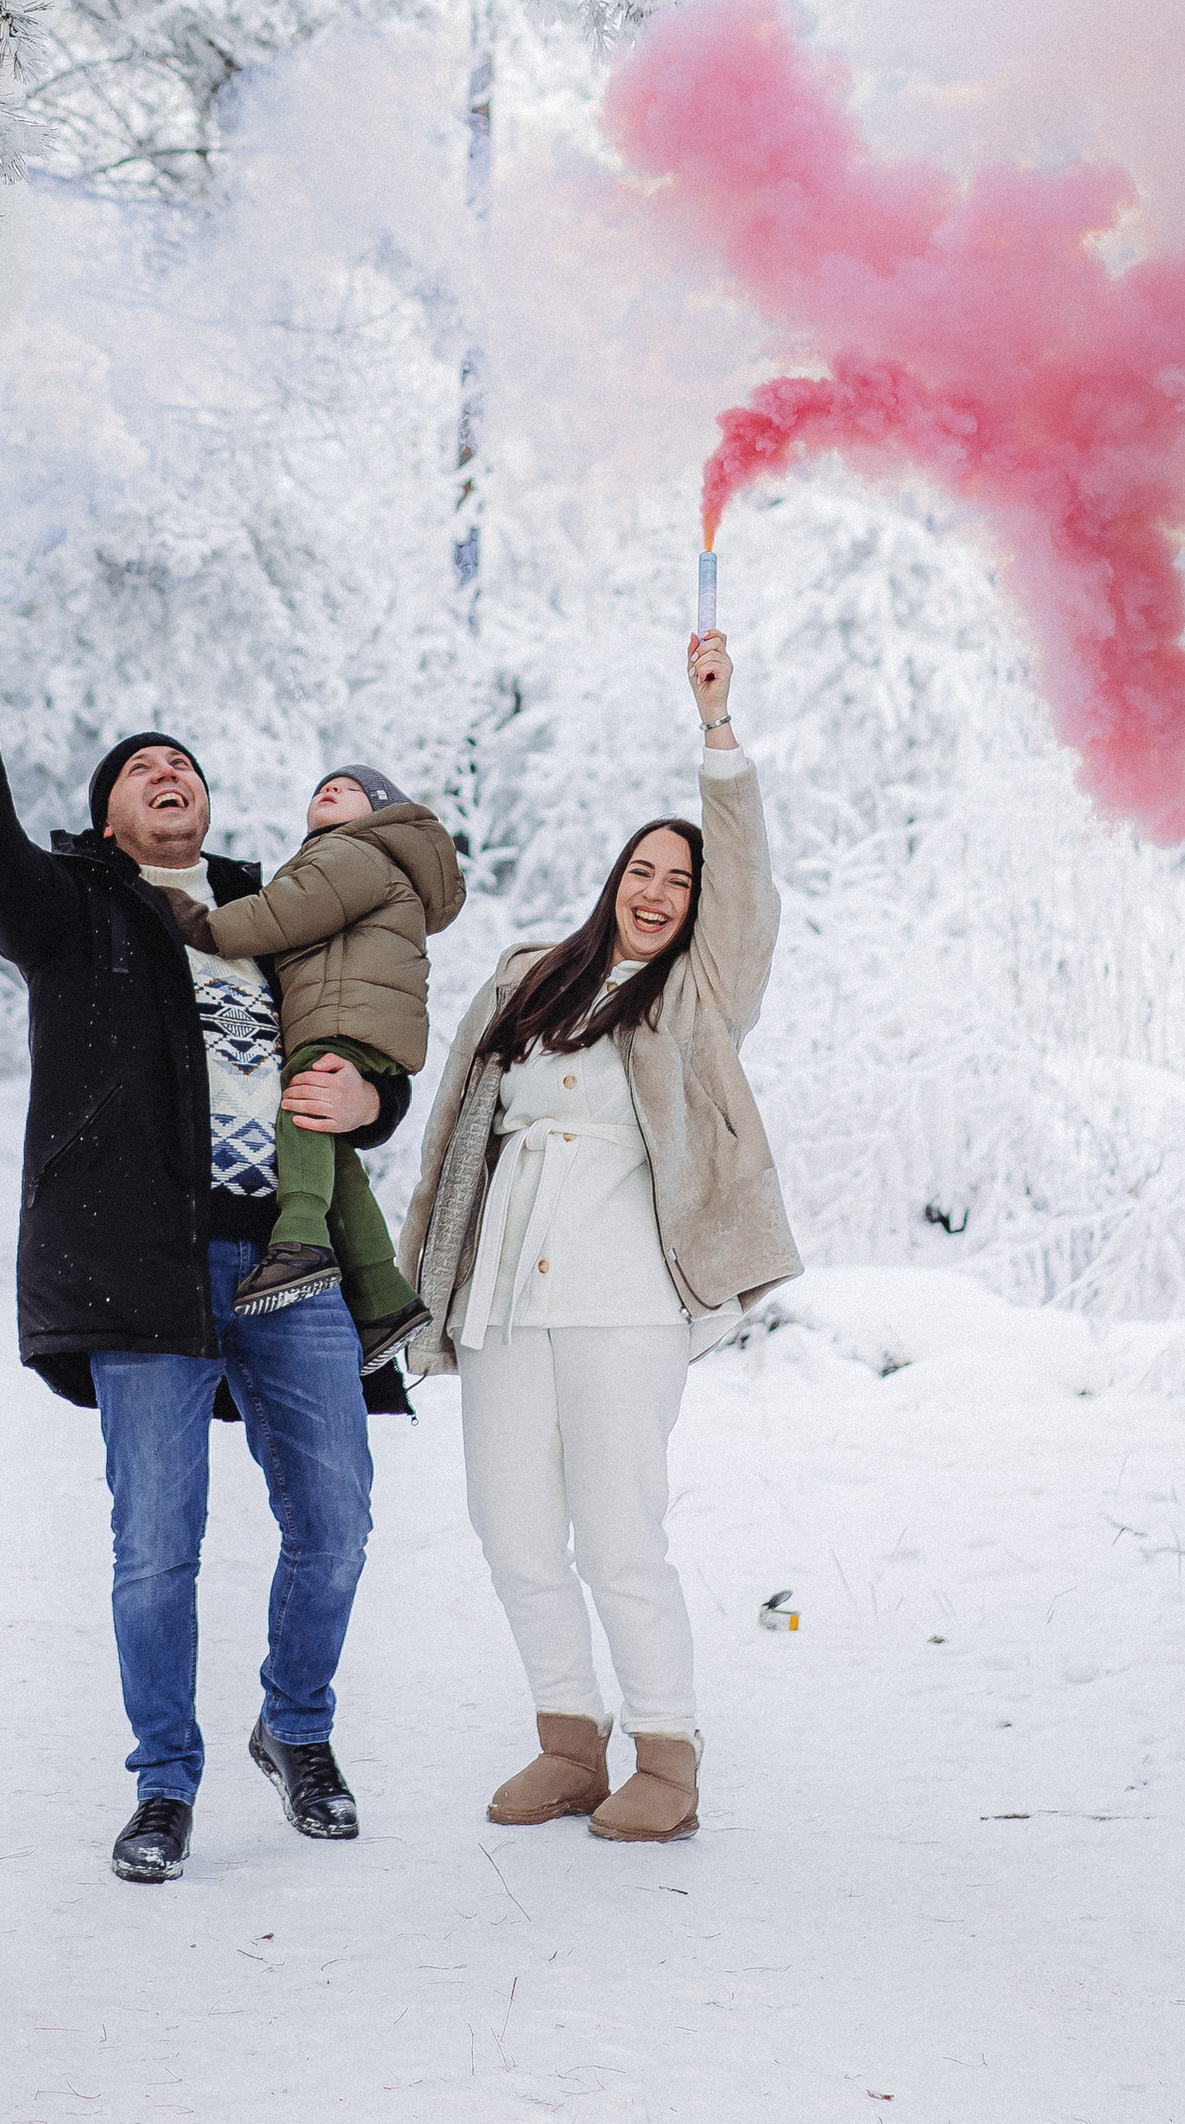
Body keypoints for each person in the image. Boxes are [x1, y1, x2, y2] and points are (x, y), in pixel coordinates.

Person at [0, 638, 411, 1887]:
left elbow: (370, 1024)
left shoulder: (270, 909)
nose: (165, 771)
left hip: (288, 1262)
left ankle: (294, 1728)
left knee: (339, 1522)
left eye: (182, 763)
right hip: (141, 1266)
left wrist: (377, 1097)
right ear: (106, 818)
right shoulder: (74, 913)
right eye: (140, 767)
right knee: (157, 1545)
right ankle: (164, 1783)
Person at [397, 625, 798, 1845]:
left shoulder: (696, 1000)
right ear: (612, 878)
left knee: (621, 1534)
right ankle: (568, 1741)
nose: (659, 889)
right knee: (511, 1528)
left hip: (627, 1303)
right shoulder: (527, 979)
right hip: (504, 1299)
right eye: (644, 869)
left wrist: (716, 737)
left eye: (680, 880)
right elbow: (449, 1142)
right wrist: (427, 1285)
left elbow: (744, 884)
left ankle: (665, 1755)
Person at [182, 763, 463, 1362]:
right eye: (323, 787)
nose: (330, 789)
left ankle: (301, 1239)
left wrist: (202, 927)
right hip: (360, 1029)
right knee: (328, 1144)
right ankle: (385, 1297)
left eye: (353, 789)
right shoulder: (359, 859)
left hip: (345, 1023)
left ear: (383, 813)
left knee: (301, 1107)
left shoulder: (357, 853)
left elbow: (286, 912)